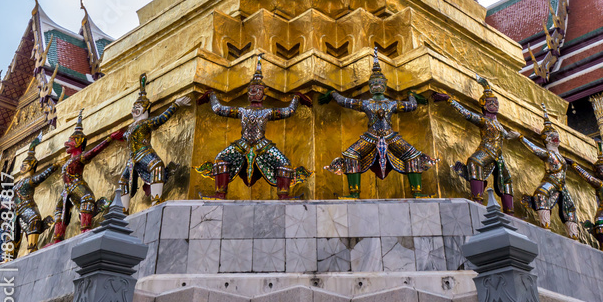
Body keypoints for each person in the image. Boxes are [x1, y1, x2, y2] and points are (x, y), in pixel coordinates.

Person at [323, 46, 435, 198]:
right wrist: (333, 93)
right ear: (370, 87)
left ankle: (417, 192)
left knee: (413, 156)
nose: (376, 86)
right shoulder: (366, 104)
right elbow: (345, 101)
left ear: (385, 85)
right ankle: (354, 194)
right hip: (370, 137)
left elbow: (412, 106)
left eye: (379, 83)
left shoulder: (392, 104)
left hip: (390, 136)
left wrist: (411, 95)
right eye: (373, 83)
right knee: (350, 155)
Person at [195, 55, 311, 199]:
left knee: (284, 163)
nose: (253, 92)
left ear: (264, 94)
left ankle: (283, 196)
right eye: (251, 90)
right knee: (220, 159)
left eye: (257, 89)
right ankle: (220, 194)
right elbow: (218, 109)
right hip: (242, 144)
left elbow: (289, 111)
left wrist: (296, 97)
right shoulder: (241, 111)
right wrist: (211, 95)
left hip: (262, 145)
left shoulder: (267, 112)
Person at [433, 75, 519, 212]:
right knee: (474, 162)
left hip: (498, 155)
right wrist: (450, 100)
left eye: (495, 102)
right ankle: (477, 199)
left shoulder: (499, 125)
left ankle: (509, 211)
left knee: (506, 179)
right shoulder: (484, 120)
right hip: (487, 150)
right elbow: (467, 114)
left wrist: (514, 136)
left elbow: (505, 135)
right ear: (483, 104)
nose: (494, 105)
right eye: (490, 102)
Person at [119, 73, 191, 211]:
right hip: (133, 158)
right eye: (134, 107)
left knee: (157, 166)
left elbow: (161, 119)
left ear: (145, 109)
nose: (134, 110)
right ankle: (124, 211)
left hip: (144, 153)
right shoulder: (131, 127)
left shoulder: (145, 123)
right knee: (123, 180)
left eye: (138, 107)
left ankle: (156, 199)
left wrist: (176, 104)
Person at [53, 111, 123, 241]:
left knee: (87, 198)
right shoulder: (69, 161)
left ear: (78, 142)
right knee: (59, 210)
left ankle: (85, 227)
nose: (66, 143)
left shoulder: (80, 157)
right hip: (67, 190)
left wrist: (110, 139)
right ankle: (58, 236)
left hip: (77, 185)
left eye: (70, 141)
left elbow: (94, 151)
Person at [519, 106, 579, 238]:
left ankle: (574, 235)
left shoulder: (561, 157)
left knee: (570, 207)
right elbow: (535, 149)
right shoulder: (548, 154)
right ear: (546, 139)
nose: (555, 137)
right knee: (541, 194)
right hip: (551, 181)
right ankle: (545, 225)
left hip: (561, 185)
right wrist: (521, 138)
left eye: (556, 135)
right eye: (551, 136)